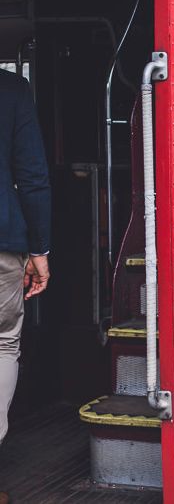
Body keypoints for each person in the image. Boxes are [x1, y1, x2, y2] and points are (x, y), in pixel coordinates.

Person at [0, 67, 51, 503]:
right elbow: (32, 176)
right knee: (1, 346)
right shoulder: (11, 89)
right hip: (2, 245)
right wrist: (40, 250)